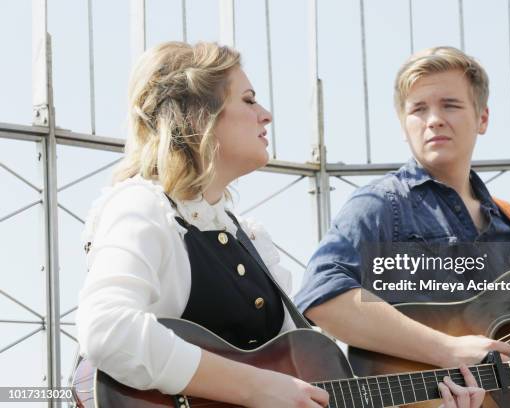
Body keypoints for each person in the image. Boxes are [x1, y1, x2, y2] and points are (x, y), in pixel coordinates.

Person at [75, 41, 487, 408]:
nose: (266, 115)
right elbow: (108, 330)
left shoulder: (252, 239)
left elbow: (314, 392)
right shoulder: (143, 207)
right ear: (201, 116)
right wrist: (253, 387)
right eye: (249, 100)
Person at [294, 46, 510, 376]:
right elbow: (322, 296)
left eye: (450, 105)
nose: (434, 121)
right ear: (403, 125)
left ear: (482, 118)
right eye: (418, 109)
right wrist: (448, 350)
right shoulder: (380, 205)